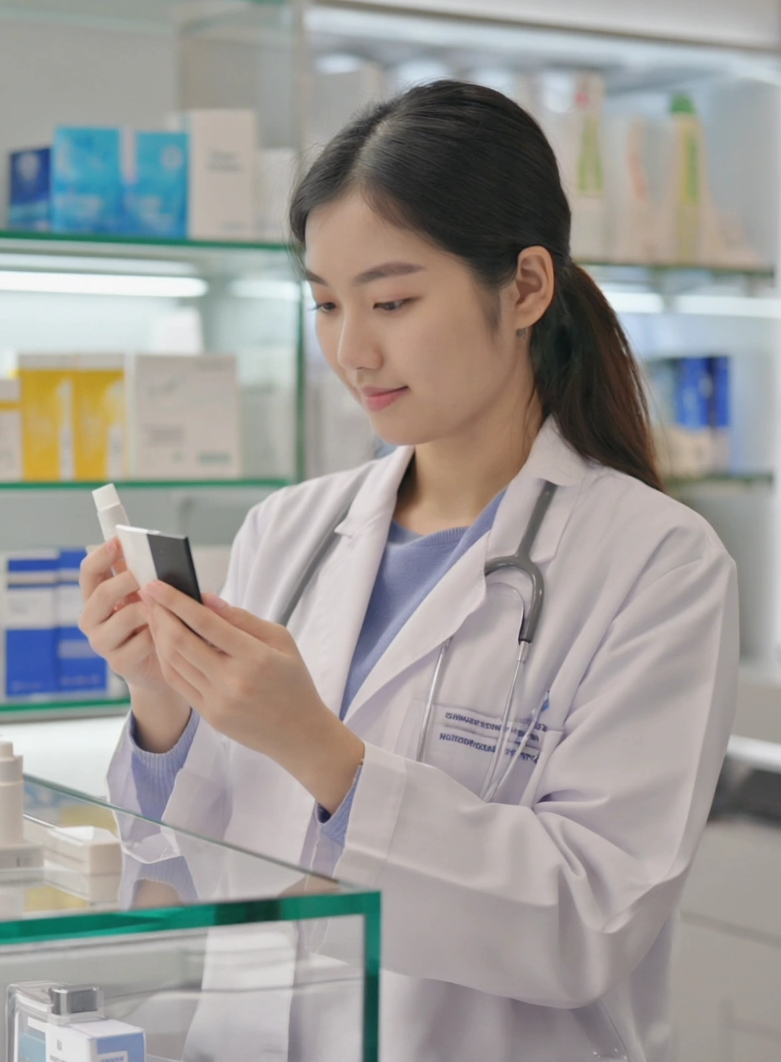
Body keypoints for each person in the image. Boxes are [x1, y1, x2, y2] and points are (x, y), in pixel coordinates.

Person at [80, 81, 738, 1061]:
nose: (353, 349)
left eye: (391, 300)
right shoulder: (291, 530)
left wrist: (321, 751)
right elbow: (184, 872)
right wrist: (158, 702)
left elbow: (588, 920)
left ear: (524, 288)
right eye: (327, 303)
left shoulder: (658, 565)